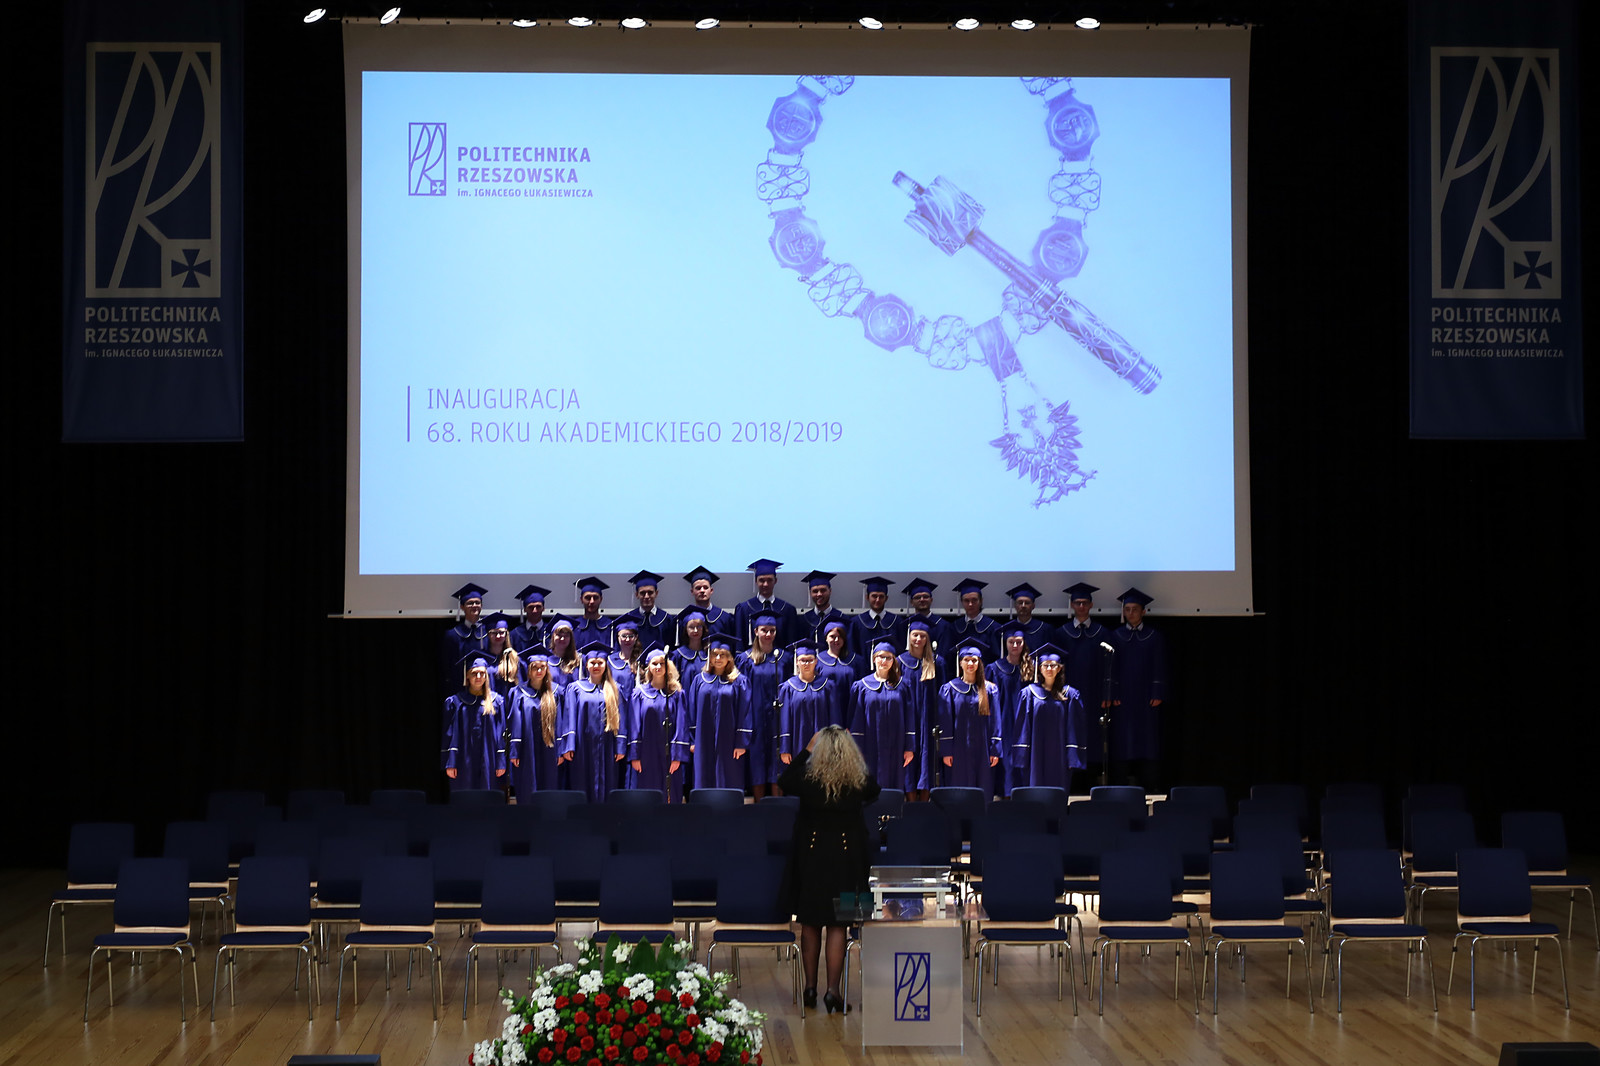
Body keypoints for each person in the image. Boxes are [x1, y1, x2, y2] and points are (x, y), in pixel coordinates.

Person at [778, 725, 881, 1015]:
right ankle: (832, 991)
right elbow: (874, 789)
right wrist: (855, 757)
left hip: (811, 860)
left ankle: (810, 988)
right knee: (839, 925)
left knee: (810, 923)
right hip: (848, 861)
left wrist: (807, 749)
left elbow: (784, 781)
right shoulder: (855, 780)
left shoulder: (808, 778)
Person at [1108, 588, 1169, 789]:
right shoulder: (1116, 636)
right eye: (1127, 609)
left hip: (1146, 698)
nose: (1131, 613)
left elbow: (1159, 665)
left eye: (1135, 609)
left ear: (1143, 611)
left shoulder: (1153, 636)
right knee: (1122, 741)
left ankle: (1150, 786)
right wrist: (1113, 693)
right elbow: (1111, 667)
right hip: (1123, 698)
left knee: (1148, 741)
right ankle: (1120, 785)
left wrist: (1157, 692)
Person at [559, 640, 627, 801]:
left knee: (608, 784)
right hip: (582, 745)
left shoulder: (615, 689)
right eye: (592, 663)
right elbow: (569, 717)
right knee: (582, 782)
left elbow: (622, 719)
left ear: (606, 665)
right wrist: (569, 745)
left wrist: (620, 746)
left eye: (600, 663)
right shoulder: (575, 688)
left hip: (608, 745)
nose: (596, 666)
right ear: (586, 665)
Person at [1059, 581, 1112, 777]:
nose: (1081, 606)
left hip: (1094, 693)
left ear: (1091, 605)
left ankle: (1091, 777)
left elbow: (1109, 667)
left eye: (1084, 603)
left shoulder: (1102, 633)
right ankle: (1072, 777)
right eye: (1077, 603)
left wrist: (1107, 693)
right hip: (1068, 694)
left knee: (1093, 735)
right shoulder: (1061, 633)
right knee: (1070, 732)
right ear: (1072, 605)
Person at [849, 638, 916, 793]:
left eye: (888, 658)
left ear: (893, 661)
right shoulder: (861, 686)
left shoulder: (903, 686)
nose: (884, 661)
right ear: (874, 659)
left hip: (896, 743)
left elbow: (910, 717)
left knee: (895, 782)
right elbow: (856, 719)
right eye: (880, 657)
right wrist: (857, 748)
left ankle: (893, 809)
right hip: (870, 743)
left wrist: (909, 747)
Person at [1018, 642, 1087, 790]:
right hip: (1035, 754)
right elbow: (1023, 728)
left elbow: (1074, 729)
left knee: (1058, 792)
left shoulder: (1070, 695)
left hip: (1060, 754)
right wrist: (1023, 754)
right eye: (1045, 665)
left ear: (1060, 668)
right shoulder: (1029, 694)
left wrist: (1072, 756)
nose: (1049, 669)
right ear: (1039, 668)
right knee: (1036, 792)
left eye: (1053, 665)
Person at [685, 636, 749, 790]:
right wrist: (692, 740)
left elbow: (745, 712)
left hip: (729, 739)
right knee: (704, 775)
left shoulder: (739, 681)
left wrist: (741, 742)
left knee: (729, 776)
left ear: (729, 658)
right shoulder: (699, 680)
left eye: (723, 655)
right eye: (714, 654)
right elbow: (691, 711)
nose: (718, 658)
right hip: (703, 738)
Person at [736, 611, 788, 797]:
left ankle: (777, 807)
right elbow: (741, 692)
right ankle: (759, 806)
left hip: (778, 718)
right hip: (754, 717)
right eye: (764, 630)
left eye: (772, 630)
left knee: (777, 758)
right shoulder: (745, 659)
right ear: (756, 631)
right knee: (757, 758)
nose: (768, 634)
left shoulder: (785, 658)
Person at [936, 644, 1003, 789]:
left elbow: (995, 722)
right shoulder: (950, 689)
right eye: (966, 660)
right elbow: (946, 722)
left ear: (979, 663)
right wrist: (947, 751)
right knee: (959, 786)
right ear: (960, 663)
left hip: (983, 747)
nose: (970, 663)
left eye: (974, 660)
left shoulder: (990, 689)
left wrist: (995, 750)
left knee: (983, 786)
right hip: (958, 748)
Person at [441, 648, 508, 792]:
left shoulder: (497, 701)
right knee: (465, 795)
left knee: (487, 795)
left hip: (489, 758)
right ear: (467, 676)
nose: (478, 677)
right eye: (474, 673)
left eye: (482, 673)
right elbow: (449, 734)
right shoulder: (456, 702)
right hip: (463, 758)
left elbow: (501, 733)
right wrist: (450, 761)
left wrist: (501, 761)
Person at [626, 644, 687, 798]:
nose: (658, 667)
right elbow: (634, 726)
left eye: (662, 663)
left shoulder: (677, 694)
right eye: (654, 663)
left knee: (670, 794)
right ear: (648, 667)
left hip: (669, 753)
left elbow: (681, 725)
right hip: (646, 752)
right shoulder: (639, 694)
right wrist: (635, 755)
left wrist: (677, 756)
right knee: (646, 793)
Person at [508, 645, 565, 796]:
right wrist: (515, 751)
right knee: (528, 784)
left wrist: (560, 750)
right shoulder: (518, 693)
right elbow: (515, 724)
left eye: (542, 667)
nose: (539, 671)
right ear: (529, 670)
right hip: (527, 748)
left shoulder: (557, 692)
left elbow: (561, 723)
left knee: (549, 785)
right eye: (535, 667)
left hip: (550, 747)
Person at [987, 621, 1034, 797]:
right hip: (1004, 721)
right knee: (1006, 760)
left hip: (1025, 722)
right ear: (1005, 643)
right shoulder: (994, 668)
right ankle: (1006, 795)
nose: (1015, 645)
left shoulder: (1031, 669)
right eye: (1011, 642)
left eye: (1019, 642)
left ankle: (1024, 795)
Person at [899, 619, 943, 796]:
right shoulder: (899, 662)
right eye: (915, 635)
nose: (918, 639)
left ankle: (924, 803)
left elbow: (943, 692)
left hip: (929, 718)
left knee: (927, 757)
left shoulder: (937, 662)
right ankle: (910, 802)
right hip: (907, 717)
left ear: (927, 638)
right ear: (909, 637)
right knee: (909, 758)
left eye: (922, 636)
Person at [777, 638, 834, 766]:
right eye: (803, 660)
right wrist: (785, 748)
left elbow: (834, 717)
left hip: (823, 743)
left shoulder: (828, 686)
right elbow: (784, 720)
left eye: (810, 660)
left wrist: (834, 745)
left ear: (816, 661)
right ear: (797, 662)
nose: (806, 663)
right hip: (797, 742)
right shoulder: (788, 688)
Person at [733, 558, 800, 648]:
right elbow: (739, 643)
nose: (765, 584)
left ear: (775, 581)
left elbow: (791, 643)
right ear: (756, 581)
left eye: (769, 580)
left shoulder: (787, 609)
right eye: (761, 580)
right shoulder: (743, 609)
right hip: (752, 656)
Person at [440, 583, 488, 693]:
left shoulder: (488, 631)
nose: (474, 605)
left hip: (484, 685)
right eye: (470, 603)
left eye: (477, 603)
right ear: (462, 607)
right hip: (459, 686)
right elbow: (447, 664)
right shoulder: (452, 634)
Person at [816, 619, 864, 727]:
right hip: (826, 708)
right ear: (826, 638)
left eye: (840, 636)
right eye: (832, 636)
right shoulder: (818, 661)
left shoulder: (856, 660)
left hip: (850, 707)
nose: (836, 640)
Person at [946, 578, 1001, 671]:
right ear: (962, 602)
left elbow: (996, 656)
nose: (970, 604)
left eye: (974, 600)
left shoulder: (993, 627)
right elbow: (949, 657)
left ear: (981, 601)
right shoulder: (954, 627)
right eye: (966, 601)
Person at [618, 571, 674, 650]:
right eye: (642, 593)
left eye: (650, 592)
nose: (646, 596)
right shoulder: (629, 618)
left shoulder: (667, 619)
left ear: (656, 593)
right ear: (637, 595)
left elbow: (670, 646)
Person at [681, 566, 737, 643]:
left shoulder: (724, 618)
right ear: (692, 592)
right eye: (698, 588)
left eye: (705, 587)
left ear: (711, 590)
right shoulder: (685, 618)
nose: (702, 591)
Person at [849, 575, 902, 655]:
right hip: (863, 663)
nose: (877, 600)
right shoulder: (856, 622)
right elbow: (852, 649)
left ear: (886, 598)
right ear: (867, 597)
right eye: (874, 596)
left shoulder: (896, 621)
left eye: (881, 596)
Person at [796, 570, 848, 649]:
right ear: (810, 593)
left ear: (830, 591)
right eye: (815, 591)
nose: (819, 594)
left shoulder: (842, 618)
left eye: (823, 590)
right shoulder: (803, 620)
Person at [1004, 582, 1058, 648]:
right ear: (1015, 605)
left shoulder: (1045, 629)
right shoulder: (1007, 629)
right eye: (1020, 603)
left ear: (1033, 606)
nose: (1023, 606)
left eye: (1027, 603)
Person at [484, 613, 521, 700]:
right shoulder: (482, 658)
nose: (498, 636)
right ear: (488, 634)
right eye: (493, 633)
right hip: (488, 703)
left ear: (506, 634)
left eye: (501, 632)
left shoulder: (514, 658)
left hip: (510, 704)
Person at [570, 577, 615, 649]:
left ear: (601, 599)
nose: (592, 601)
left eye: (595, 597)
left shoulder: (610, 626)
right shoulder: (574, 626)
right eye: (588, 598)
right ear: (581, 600)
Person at [510, 584, 554, 655]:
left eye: (538, 607)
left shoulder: (552, 632)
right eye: (530, 607)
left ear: (543, 608)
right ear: (525, 609)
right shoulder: (514, 634)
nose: (534, 611)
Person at [609, 618, 643, 704]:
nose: (627, 640)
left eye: (631, 636)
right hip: (616, 703)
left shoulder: (641, 660)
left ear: (636, 637)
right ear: (618, 637)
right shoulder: (610, 661)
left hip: (636, 705)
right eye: (624, 636)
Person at [547, 619, 580, 688]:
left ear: (571, 638)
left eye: (566, 635)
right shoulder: (546, 659)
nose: (562, 639)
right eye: (559, 635)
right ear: (553, 637)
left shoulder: (579, 660)